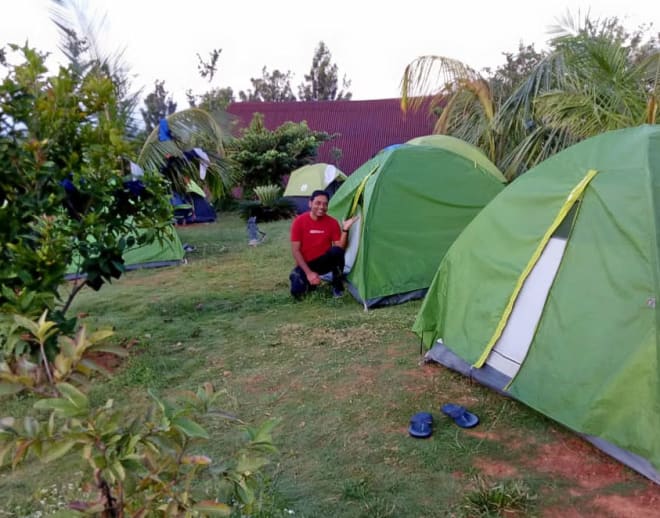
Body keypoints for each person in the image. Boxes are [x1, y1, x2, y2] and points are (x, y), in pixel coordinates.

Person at [289, 190, 358, 299]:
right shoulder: (299, 222)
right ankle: (311, 282)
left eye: (325, 204)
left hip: (324, 262)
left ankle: (337, 287)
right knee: (298, 294)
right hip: (307, 264)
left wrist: (345, 229)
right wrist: (309, 273)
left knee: (336, 251)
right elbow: (295, 251)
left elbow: (340, 248)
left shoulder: (332, 222)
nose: (322, 207)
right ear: (310, 203)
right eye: (318, 203)